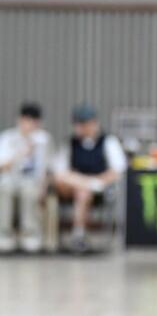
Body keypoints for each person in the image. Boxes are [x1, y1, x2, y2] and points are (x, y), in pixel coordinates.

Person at [52, 104, 127, 253]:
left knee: (83, 192)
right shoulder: (70, 143)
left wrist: (98, 181)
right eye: (78, 124)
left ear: (93, 123)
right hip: (71, 187)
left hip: (99, 190)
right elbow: (59, 171)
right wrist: (86, 182)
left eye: (84, 124)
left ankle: (78, 235)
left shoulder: (108, 142)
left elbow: (117, 170)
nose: (80, 128)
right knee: (66, 182)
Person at [0, 102, 52, 253]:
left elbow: (48, 168)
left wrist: (45, 187)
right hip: (9, 179)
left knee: (29, 191)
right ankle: (4, 233)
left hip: (32, 181)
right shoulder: (8, 137)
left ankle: (30, 234)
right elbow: (2, 166)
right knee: (5, 190)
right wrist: (22, 153)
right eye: (27, 120)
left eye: (34, 121)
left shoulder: (44, 139)